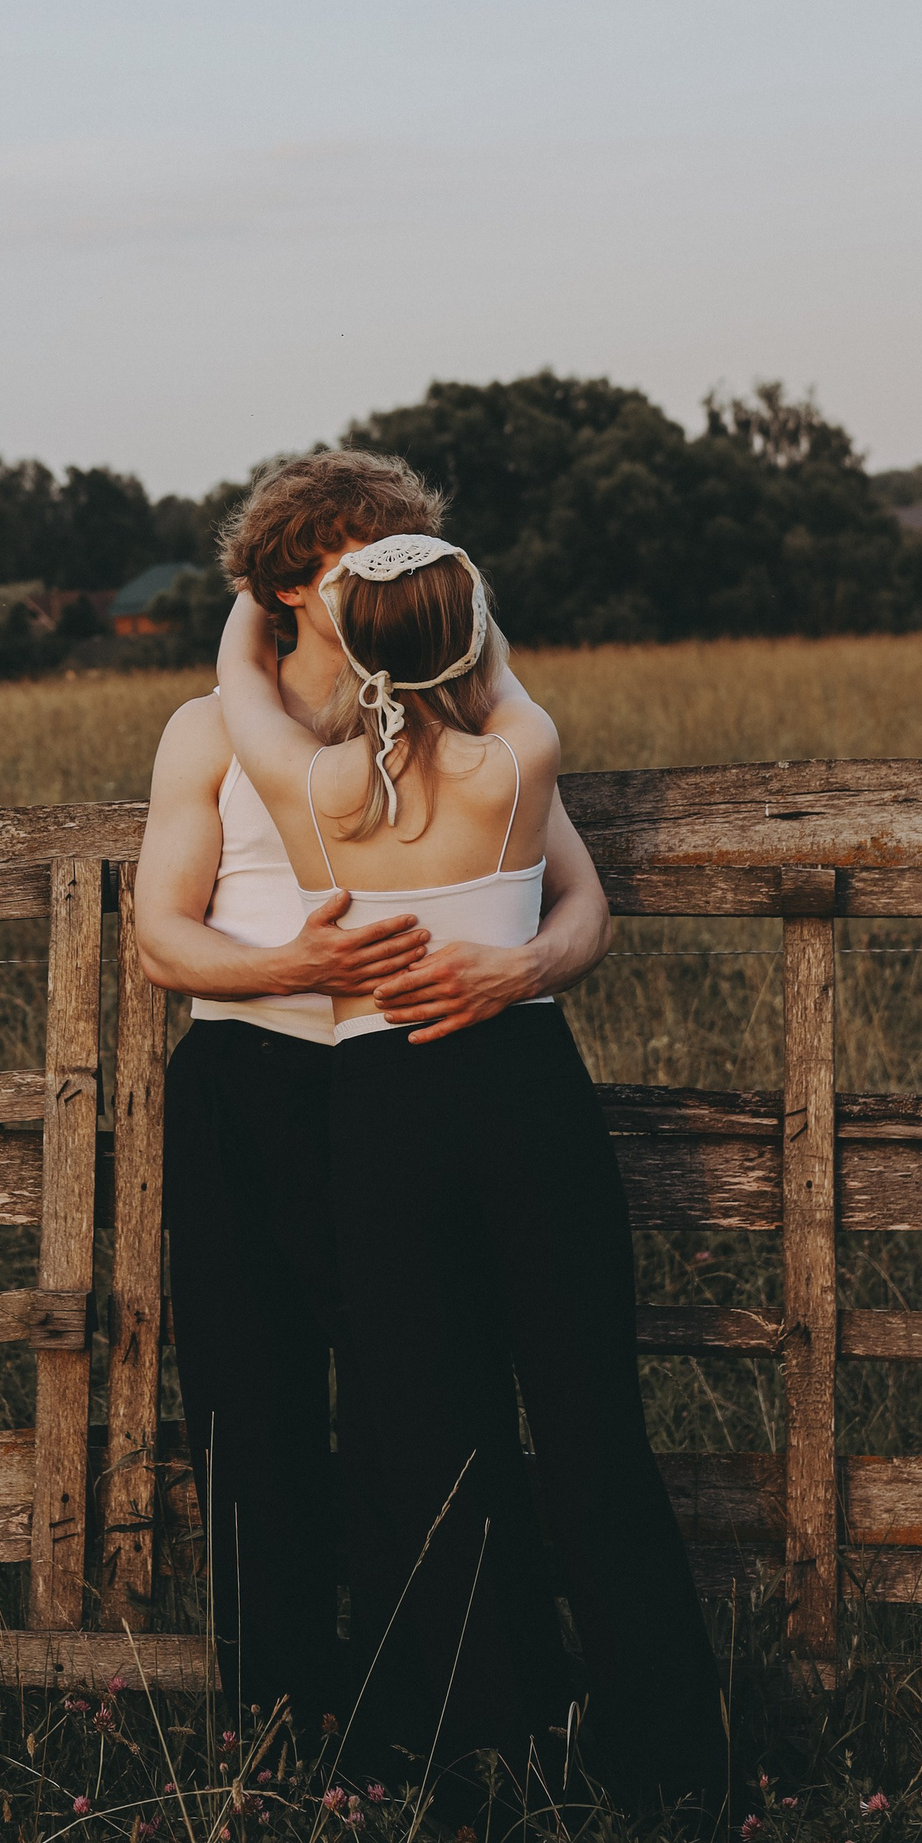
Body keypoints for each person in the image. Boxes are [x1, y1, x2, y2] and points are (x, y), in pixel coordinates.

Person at [215, 532, 727, 1810]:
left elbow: (240, 687)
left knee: (436, 1437)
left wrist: (261, 594)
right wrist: (457, 618)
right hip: (524, 1088)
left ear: (359, 646)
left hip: (379, 1113)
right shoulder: (520, 759)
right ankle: (672, 1761)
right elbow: (496, 677)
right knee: (591, 1417)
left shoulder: (313, 788)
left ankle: (491, 1759)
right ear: (471, 635)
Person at [132, 452, 612, 1739]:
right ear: (289, 586)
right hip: (251, 1084)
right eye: (362, 553)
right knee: (252, 1400)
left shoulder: (460, 719)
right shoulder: (207, 733)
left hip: (412, 1089)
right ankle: (283, 1708)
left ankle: (450, 1704)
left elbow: (580, 901)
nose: (402, 573)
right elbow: (162, 937)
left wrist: (522, 972)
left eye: (413, 549)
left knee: (429, 1408)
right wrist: (296, 966)